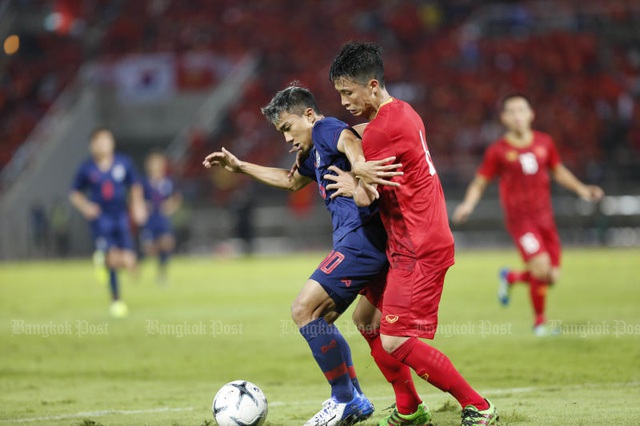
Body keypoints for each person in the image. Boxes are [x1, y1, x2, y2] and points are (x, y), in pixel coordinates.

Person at [202, 84, 428, 426]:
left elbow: (349, 139)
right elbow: (291, 181)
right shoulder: (314, 151)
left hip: (360, 241)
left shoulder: (324, 128)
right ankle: (368, 399)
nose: (286, 138)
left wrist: (360, 171)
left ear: (308, 115)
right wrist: (240, 166)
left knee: (303, 310)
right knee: (359, 323)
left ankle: (344, 399)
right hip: (363, 241)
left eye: (287, 128)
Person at [329, 41, 498, 425]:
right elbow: (366, 139)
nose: (344, 102)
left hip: (418, 245)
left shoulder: (381, 131)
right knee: (366, 319)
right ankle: (409, 407)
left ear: (372, 86)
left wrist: (350, 181)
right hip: (412, 237)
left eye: (348, 92)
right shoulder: (403, 111)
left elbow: (366, 197)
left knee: (395, 339)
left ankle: (478, 405)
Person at [452, 94, 604, 335]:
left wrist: (582, 189)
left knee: (551, 277)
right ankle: (540, 324)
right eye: (511, 112)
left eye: (521, 110)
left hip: (545, 218)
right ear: (504, 118)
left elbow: (558, 171)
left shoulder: (545, 142)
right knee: (541, 268)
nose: (517, 116)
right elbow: (480, 183)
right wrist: (468, 205)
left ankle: (510, 278)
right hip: (521, 221)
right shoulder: (498, 150)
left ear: (531, 114)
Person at [69, 127, 146, 318]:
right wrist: (86, 206)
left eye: (106, 140)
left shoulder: (123, 163)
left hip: (120, 217)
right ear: (92, 145)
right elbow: (74, 193)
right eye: (99, 141)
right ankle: (116, 300)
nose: (103, 144)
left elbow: (135, 185)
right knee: (113, 258)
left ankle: (102, 261)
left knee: (131, 263)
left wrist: (137, 205)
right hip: (101, 219)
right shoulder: (87, 168)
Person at [140, 151, 182, 283]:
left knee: (166, 243)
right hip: (150, 218)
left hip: (162, 218)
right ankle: (138, 267)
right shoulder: (144, 182)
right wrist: (143, 207)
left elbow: (177, 197)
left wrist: (170, 207)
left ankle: (162, 272)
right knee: (149, 248)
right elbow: (137, 197)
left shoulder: (168, 182)